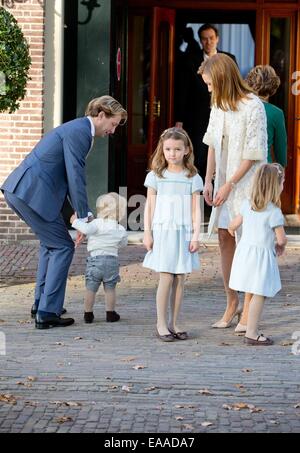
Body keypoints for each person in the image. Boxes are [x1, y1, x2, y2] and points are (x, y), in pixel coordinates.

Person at [1, 96, 127, 329]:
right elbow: (74, 176)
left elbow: (59, 177)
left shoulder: (77, 129)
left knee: (51, 245)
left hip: (24, 191)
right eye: (114, 123)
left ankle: (42, 305)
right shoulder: (80, 132)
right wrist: (83, 216)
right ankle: (47, 312)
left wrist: (74, 217)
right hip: (31, 193)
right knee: (62, 246)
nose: (113, 130)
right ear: (101, 115)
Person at [199, 53, 267, 329]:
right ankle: (232, 303)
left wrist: (229, 185)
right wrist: (209, 180)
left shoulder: (253, 106)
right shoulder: (218, 105)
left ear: (223, 78)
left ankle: (249, 305)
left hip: (248, 185)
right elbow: (212, 143)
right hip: (225, 183)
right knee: (225, 238)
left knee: (249, 245)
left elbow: (254, 153)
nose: (208, 89)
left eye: (210, 84)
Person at [143, 127, 203, 342]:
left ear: (186, 150)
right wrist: (147, 233)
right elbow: (149, 207)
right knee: (166, 276)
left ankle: (175, 322)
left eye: (177, 149)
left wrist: (196, 235)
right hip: (164, 232)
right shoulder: (156, 176)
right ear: (163, 149)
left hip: (184, 232)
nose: (172, 153)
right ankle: (161, 323)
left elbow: (196, 209)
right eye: (168, 149)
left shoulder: (192, 177)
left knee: (180, 278)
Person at [228, 164, 287, 345]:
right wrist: (280, 247)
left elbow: (233, 226)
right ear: (276, 186)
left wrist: (236, 236)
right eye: (283, 182)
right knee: (259, 294)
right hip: (261, 258)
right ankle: (252, 333)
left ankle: (247, 325)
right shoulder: (274, 212)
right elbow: (281, 239)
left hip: (245, 254)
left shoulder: (247, 205)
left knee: (252, 291)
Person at [175, 23, 237, 180]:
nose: (208, 42)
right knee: (198, 157)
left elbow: (235, 87)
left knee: (223, 157)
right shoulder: (190, 60)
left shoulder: (229, 59)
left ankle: (217, 198)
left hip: (225, 114)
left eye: (211, 38)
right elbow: (183, 90)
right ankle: (200, 197)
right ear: (200, 40)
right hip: (198, 117)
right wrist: (179, 119)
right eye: (204, 39)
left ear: (217, 39)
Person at [70, 192, 128, 324]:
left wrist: (74, 221)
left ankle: (88, 314)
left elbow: (85, 229)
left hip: (95, 261)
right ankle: (110, 313)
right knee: (110, 289)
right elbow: (123, 243)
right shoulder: (120, 228)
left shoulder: (96, 224)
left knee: (91, 288)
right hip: (112, 261)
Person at [246, 65, 287, 167]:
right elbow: (281, 156)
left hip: (237, 170)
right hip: (264, 171)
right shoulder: (276, 113)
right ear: (273, 85)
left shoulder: (241, 106)